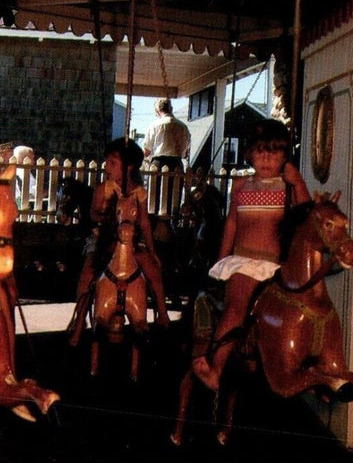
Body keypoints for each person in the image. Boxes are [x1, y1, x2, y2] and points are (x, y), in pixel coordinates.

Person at [191, 118, 310, 391]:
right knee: (235, 307)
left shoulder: (287, 187)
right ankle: (217, 369)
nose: (267, 158)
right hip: (244, 262)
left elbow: (306, 216)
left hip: (276, 265)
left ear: (285, 157)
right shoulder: (241, 186)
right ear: (249, 154)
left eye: (275, 152)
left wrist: (299, 182)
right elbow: (232, 223)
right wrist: (222, 259)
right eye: (260, 151)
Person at [66, 137, 172, 346]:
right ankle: (79, 322)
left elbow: (144, 223)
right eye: (107, 162)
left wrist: (152, 250)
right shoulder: (104, 189)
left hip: (130, 240)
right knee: (89, 272)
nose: (108, 167)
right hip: (104, 238)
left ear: (129, 167)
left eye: (113, 163)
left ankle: (162, 313)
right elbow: (94, 213)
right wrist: (107, 218)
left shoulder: (138, 193)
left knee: (152, 270)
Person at [142, 98, 191, 172]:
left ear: (157, 111)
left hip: (158, 163)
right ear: (171, 109)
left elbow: (147, 151)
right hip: (176, 163)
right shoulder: (183, 127)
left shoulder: (154, 125)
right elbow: (186, 153)